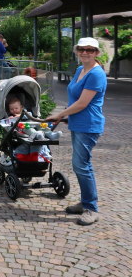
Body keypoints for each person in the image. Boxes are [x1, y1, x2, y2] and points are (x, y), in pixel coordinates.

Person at [46, 37, 106, 226]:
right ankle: (85, 202)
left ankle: (91, 208)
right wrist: (67, 116)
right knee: (80, 165)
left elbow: (82, 103)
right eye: (81, 49)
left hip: (88, 125)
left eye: (90, 49)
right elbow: (74, 100)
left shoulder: (96, 74)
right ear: (77, 51)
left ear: (96, 53)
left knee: (82, 165)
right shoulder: (81, 70)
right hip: (77, 123)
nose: (85, 52)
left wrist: (59, 114)